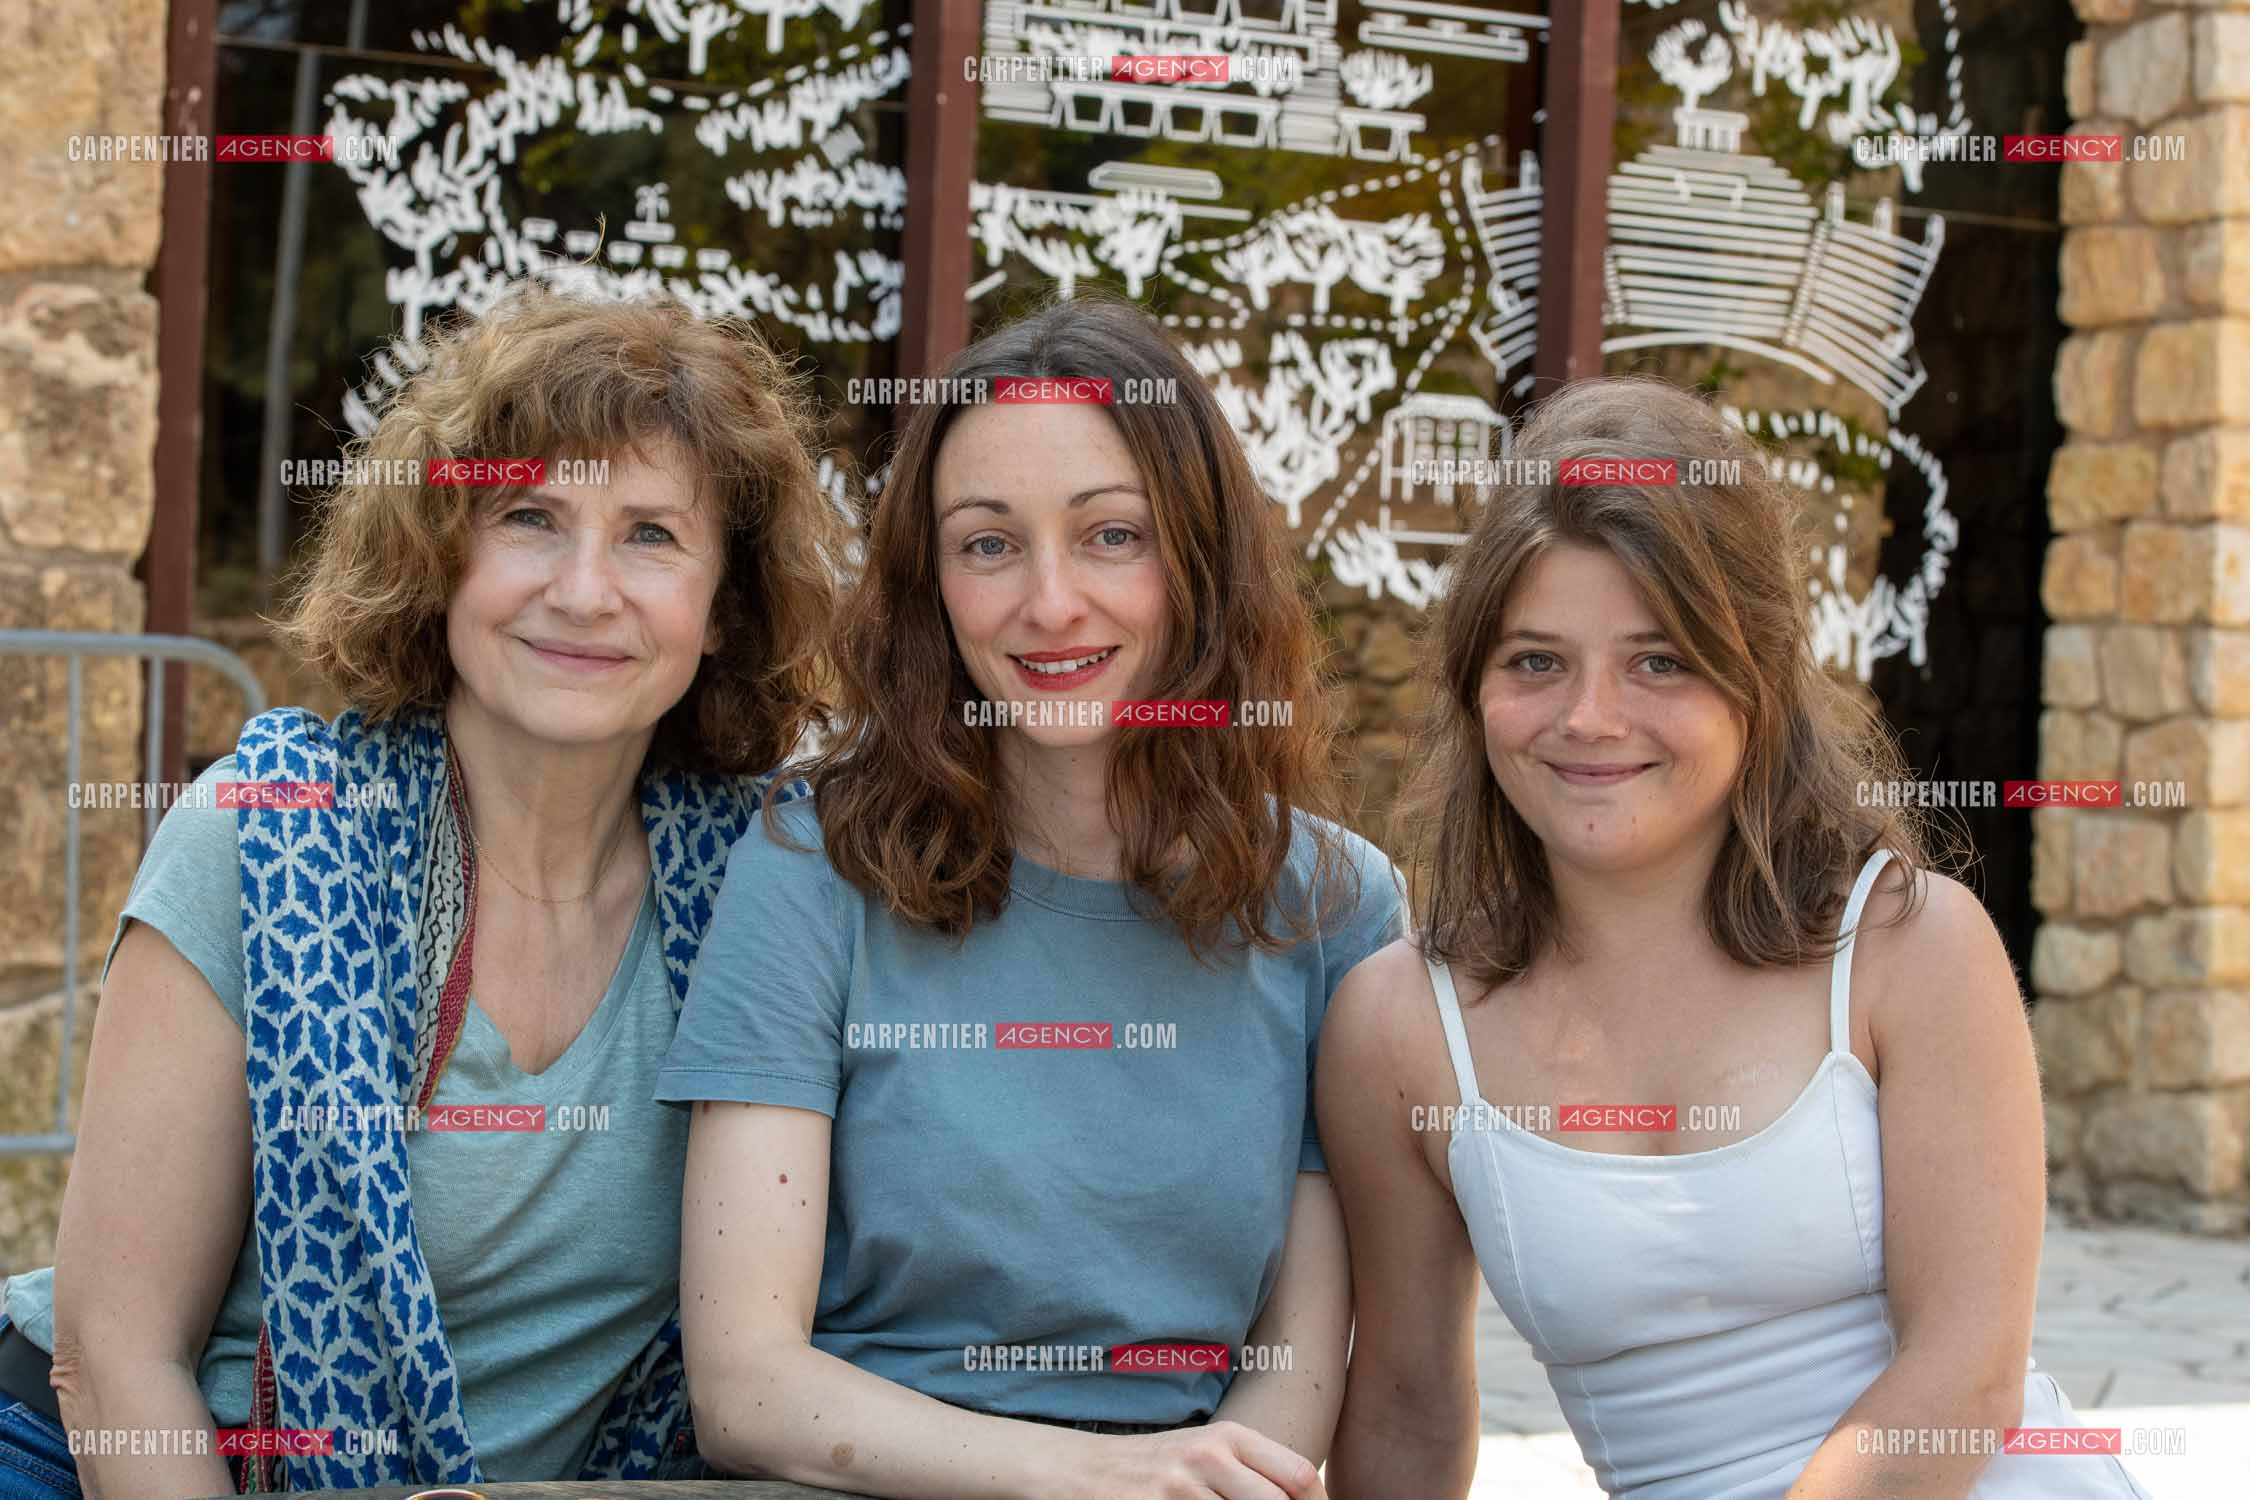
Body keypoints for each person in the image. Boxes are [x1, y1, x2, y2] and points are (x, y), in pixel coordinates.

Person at [0, 283, 849, 1497]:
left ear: (723, 609)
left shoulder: (763, 894)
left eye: (652, 535)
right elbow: (113, 1354)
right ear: (441, 557)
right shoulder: (269, 838)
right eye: (528, 517)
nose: (585, 589)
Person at [1318, 376, 2153, 1499]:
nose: (1589, 718)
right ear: (1474, 692)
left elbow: (1967, 1377)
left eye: (1660, 660)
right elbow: (1408, 1408)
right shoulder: (1395, 1026)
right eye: (1535, 661)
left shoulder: (1911, 946)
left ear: (1753, 677)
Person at [656, 292, 1404, 1500]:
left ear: (1201, 559)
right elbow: (745, 1389)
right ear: (932, 586)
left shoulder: (1335, 906)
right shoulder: (813, 866)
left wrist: (1206, 1483)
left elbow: (1293, 1365)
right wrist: (1094, 1479)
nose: (1049, 604)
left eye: (1113, 535)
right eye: (988, 544)